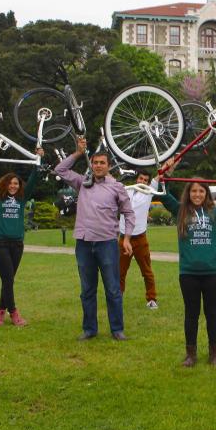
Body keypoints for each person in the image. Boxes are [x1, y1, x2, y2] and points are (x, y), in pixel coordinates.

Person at [159, 157, 216, 366]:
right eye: (194, 191)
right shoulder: (180, 209)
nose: (197, 194)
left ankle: (214, 354)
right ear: (189, 193)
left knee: (212, 313)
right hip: (188, 273)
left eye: (201, 191)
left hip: (213, 272)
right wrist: (167, 172)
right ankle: (191, 354)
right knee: (191, 314)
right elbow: (161, 193)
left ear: (207, 193)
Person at [54, 139, 135, 341]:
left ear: (108, 166)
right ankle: (90, 329)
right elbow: (60, 170)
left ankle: (117, 329)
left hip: (107, 243)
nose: (98, 166)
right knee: (87, 290)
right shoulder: (82, 183)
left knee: (113, 289)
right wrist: (77, 153)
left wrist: (126, 238)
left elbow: (128, 213)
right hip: (83, 243)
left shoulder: (117, 187)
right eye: (95, 162)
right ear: (91, 164)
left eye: (102, 163)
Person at [0, 145, 43, 327]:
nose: (13, 186)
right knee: (8, 279)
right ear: (5, 184)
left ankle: (0, 312)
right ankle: (14, 312)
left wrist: (38, 160)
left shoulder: (22, 198)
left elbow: (33, 180)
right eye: (10, 183)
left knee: (7, 280)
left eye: (16, 183)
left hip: (17, 244)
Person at [119, 170, 159, 310]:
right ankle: (118, 298)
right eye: (140, 178)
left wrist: (171, 162)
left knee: (147, 271)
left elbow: (160, 175)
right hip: (123, 238)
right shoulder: (126, 191)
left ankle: (151, 299)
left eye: (145, 180)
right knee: (120, 271)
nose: (142, 182)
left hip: (140, 238)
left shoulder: (148, 192)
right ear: (136, 179)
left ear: (148, 183)